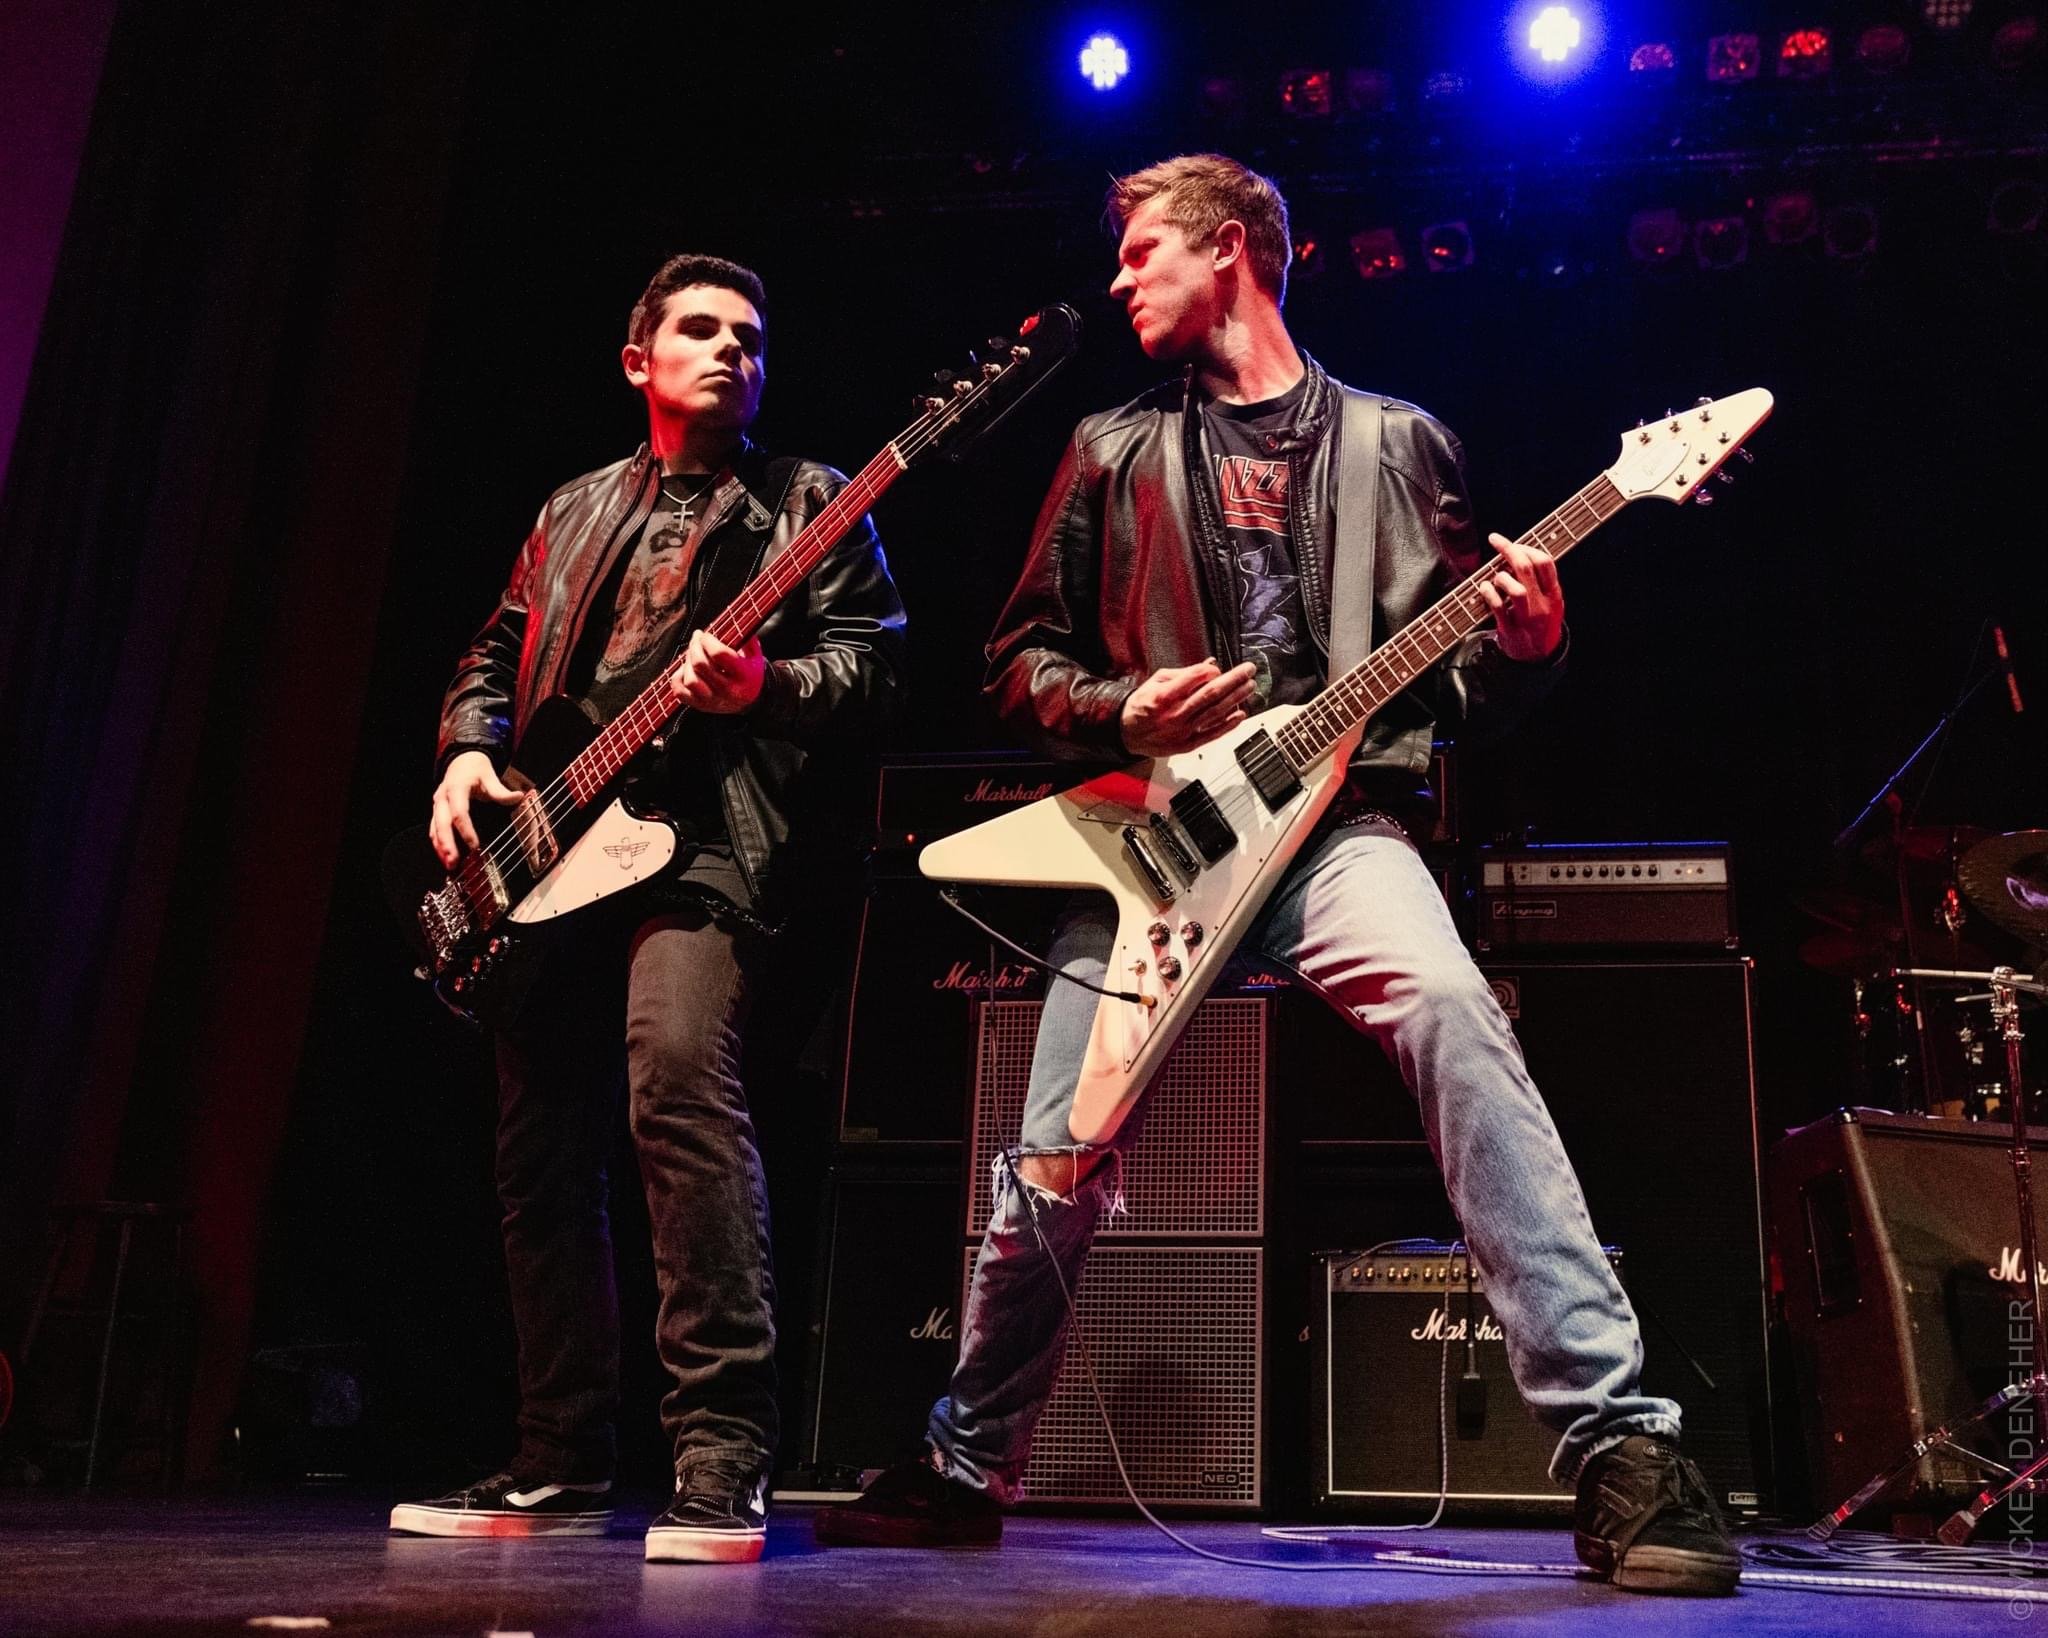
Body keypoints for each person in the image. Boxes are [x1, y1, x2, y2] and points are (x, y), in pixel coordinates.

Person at [814, 155, 1738, 1596]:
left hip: (1337, 835)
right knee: (1055, 1156)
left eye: (1139, 254)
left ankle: (1622, 1443)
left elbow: (1462, 681)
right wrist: (1125, 710)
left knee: (1451, 1013)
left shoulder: (1399, 443)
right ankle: (963, 1457)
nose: (1117, 281)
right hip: (1156, 846)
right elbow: (1014, 662)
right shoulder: (1111, 448)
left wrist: (1534, 640)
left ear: (1232, 249)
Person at [390, 254, 906, 1563]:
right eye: (699, 328)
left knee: (675, 1075)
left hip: (711, 843)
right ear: (639, 361)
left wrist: (760, 688)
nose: (731, 348)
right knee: (537, 1145)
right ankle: (560, 1454)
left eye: (752, 334)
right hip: (560, 844)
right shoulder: (572, 510)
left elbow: (876, 671)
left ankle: (724, 1450)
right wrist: (467, 746)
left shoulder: (810, 503)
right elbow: (497, 648)